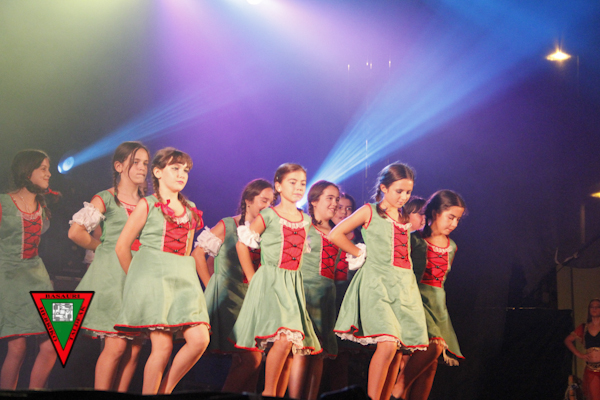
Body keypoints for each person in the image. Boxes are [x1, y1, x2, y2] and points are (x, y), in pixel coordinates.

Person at [114, 147, 210, 395]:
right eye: (175, 168)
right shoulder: (148, 204)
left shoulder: (191, 209)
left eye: (185, 170)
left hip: (183, 280)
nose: (181, 174)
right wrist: (138, 281)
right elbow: (122, 247)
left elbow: (187, 251)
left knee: (200, 340)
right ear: (157, 172)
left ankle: (163, 391)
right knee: (163, 347)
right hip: (154, 279)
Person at [330, 162, 428, 400]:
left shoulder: (404, 217)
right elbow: (335, 234)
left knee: (397, 349)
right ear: (384, 187)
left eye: (408, 192)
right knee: (388, 344)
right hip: (377, 284)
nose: (403, 197)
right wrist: (359, 252)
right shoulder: (369, 211)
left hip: (403, 286)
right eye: (399, 191)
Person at [232, 163, 321, 397]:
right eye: (293, 182)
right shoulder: (269, 215)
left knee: (290, 347)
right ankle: (268, 392)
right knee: (282, 339)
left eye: (302, 183)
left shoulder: (305, 220)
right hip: (271, 281)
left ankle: (277, 394)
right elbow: (242, 244)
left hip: (292, 285)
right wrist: (253, 278)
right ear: (278, 186)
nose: (298, 187)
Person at [68, 142, 149, 392]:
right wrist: (102, 247)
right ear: (119, 166)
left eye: (145, 163)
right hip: (113, 277)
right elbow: (75, 232)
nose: (142, 168)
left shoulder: (149, 203)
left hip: (139, 273)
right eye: (136, 162)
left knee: (135, 349)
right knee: (116, 345)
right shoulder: (107, 198)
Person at [193, 179, 274, 393]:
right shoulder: (228, 225)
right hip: (229, 299)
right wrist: (212, 286)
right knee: (251, 360)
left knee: (251, 362)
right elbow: (198, 254)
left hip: (252, 300)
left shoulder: (268, 231)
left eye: (271, 202)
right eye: (263, 200)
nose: (268, 206)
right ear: (248, 200)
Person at [392, 190, 466, 400]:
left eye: (458, 219)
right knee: (433, 346)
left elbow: (441, 281)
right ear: (434, 213)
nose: (454, 224)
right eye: (450, 217)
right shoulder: (414, 240)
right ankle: (396, 391)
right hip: (416, 299)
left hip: (437, 305)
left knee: (431, 364)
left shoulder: (452, 246)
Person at [0, 150, 59, 389]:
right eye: (43, 168)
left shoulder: (42, 206)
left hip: (37, 276)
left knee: (54, 342)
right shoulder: (3, 203)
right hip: (9, 277)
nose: (49, 173)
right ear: (27, 172)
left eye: (48, 168)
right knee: (18, 347)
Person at [288, 180, 340, 400]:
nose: (335, 203)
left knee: (319, 352)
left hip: (326, 295)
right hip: (305, 292)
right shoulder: (304, 224)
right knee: (303, 350)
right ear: (314, 200)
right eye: (330, 198)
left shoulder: (338, 231)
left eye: (337, 199)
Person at [565, 298, 600, 400]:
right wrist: (579, 354)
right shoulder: (584, 327)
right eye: (592, 307)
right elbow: (568, 340)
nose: (594, 309)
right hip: (591, 369)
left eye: (597, 307)